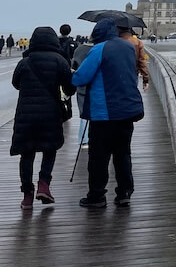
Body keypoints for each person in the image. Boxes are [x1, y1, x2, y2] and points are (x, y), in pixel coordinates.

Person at [71, 18, 144, 208]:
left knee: (99, 156)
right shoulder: (128, 47)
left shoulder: (99, 49)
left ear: (98, 33)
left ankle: (97, 196)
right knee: (123, 154)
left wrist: (72, 72)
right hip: (127, 110)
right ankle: (124, 193)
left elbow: (81, 78)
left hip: (104, 112)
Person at [9, 27, 74, 208]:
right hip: (50, 113)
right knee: (50, 148)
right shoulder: (60, 61)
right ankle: (44, 184)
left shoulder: (25, 62)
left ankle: (27, 196)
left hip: (25, 115)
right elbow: (70, 89)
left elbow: (16, 84)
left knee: (27, 154)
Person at [115, 17, 150, 90]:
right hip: (133, 73)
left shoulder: (113, 42)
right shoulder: (138, 42)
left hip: (116, 74)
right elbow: (142, 61)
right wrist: (145, 79)